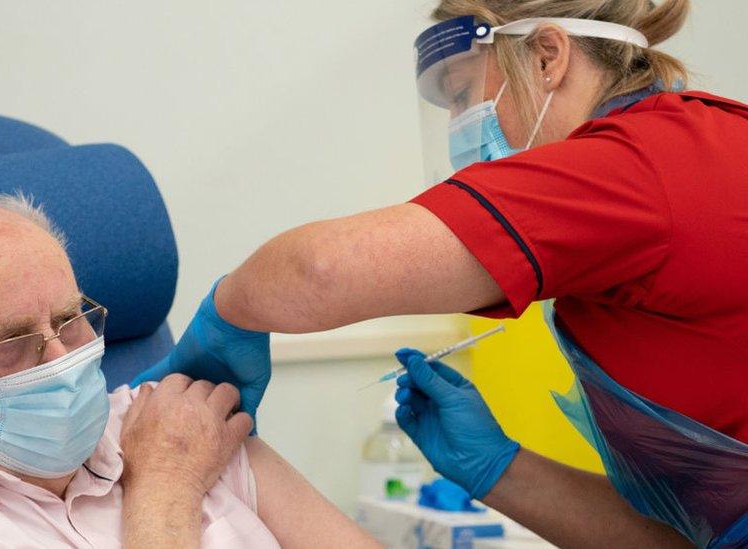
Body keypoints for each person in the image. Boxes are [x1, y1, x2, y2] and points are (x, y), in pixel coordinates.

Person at [133, 0, 748, 546]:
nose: (460, 126)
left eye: (461, 94)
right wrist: (500, 468)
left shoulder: (632, 169)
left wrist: (230, 313)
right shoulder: (690, 148)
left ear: (546, 58)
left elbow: (320, 271)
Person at [0, 195, 380, 548]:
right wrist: (165, 490)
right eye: (15, 342)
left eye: (70, 320)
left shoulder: (175, 420)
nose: (62, 360)